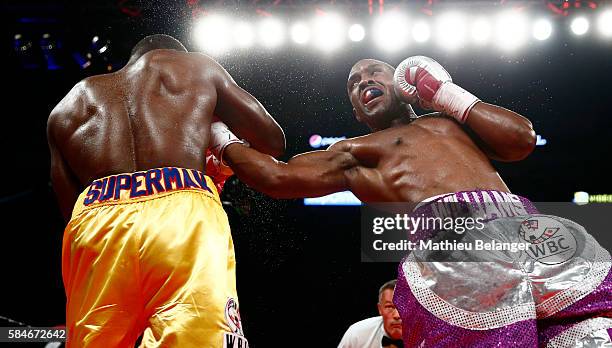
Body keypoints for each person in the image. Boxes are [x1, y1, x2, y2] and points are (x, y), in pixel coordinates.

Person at [212, 56, 612, 346]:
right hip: (452, 244)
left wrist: (445, 94)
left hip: (525, 225)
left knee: (592, 333)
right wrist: (221, 139)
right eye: (353, 82)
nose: (363, 79)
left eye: (374, 72)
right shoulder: (357, 152)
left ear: (401, 84)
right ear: (356, 110)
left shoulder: (450, 121)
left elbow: (522, 139)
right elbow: (276, 176)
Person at [47, 34, 284, 347]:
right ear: (173, 54)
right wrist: (218, 132)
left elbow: (69, 212)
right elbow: (273, 142)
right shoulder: (194, 67)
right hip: (181, 210)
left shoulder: (68, 105)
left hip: (95, 223)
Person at [339, 280, 403, 348]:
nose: (397, 315)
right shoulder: (357, 334)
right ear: (380, 309)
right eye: (389, 306)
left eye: (404, 307)